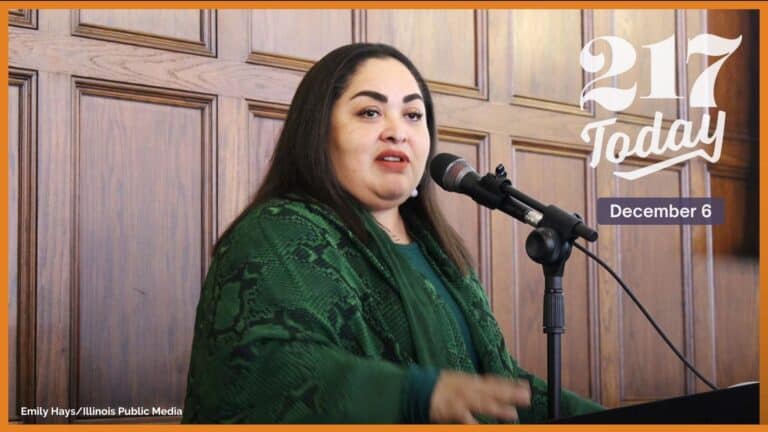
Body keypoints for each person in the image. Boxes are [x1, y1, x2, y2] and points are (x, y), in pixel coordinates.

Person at [182, 42, 603, 424]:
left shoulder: (441, 254)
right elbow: (268, 374)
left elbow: (493, 385)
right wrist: (418, 396)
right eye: (370, 112)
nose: (397, 130)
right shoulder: (275, 235)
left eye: (413, 114)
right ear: (317, 131)